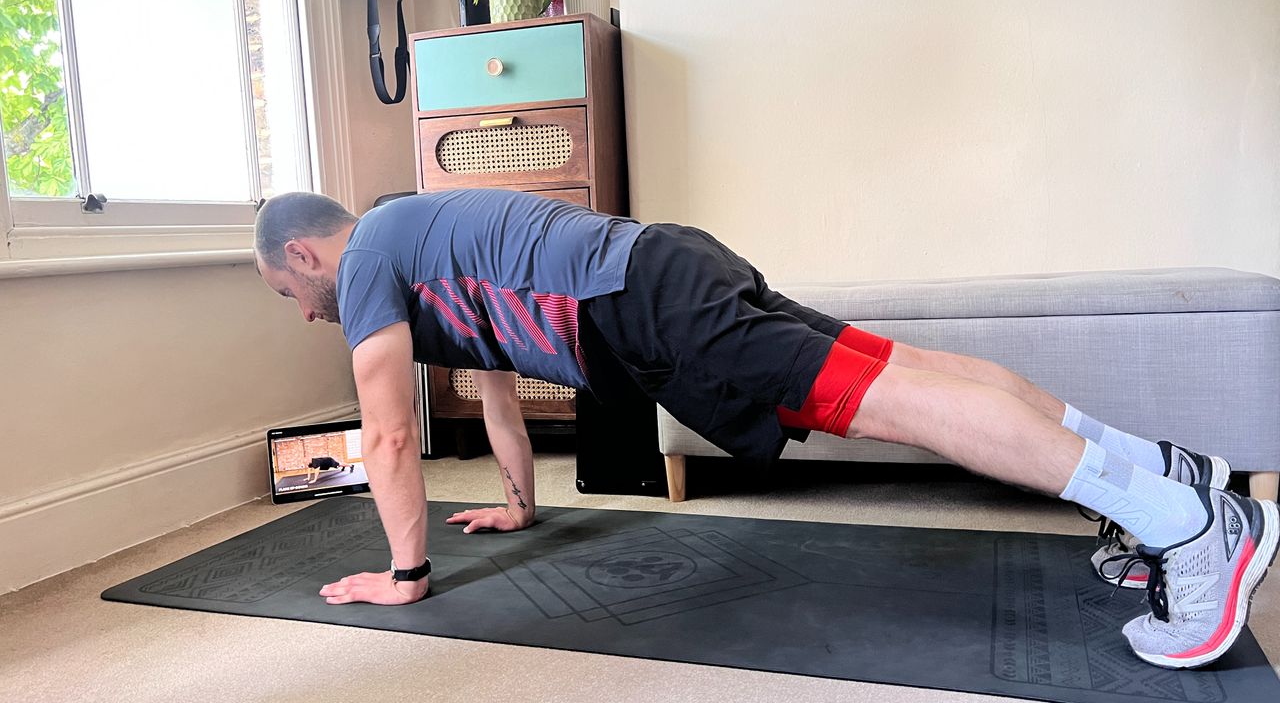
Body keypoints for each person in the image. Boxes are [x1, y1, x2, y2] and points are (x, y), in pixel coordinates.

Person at [253, 188, 1277, 670]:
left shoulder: (372, 252)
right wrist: (519, 507)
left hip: (639, 297)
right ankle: (1171, 476)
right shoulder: (422, 240)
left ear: (303, 254)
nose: (305, 313)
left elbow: (386, 436)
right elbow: (500, 391)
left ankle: (1189, 528)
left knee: (895, 406)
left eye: (286, 291)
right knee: (906, 370)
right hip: (659, 264)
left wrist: (403, 575)